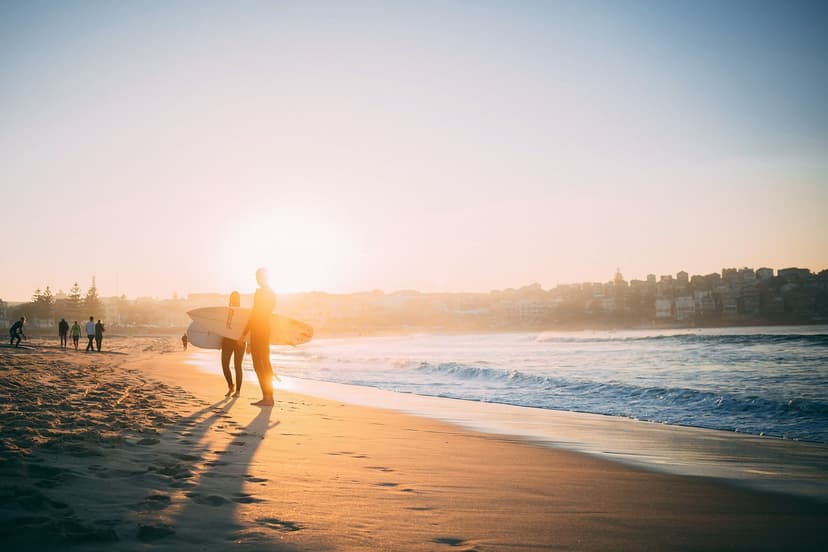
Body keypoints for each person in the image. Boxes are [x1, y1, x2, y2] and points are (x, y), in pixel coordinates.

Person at [239, 268, 276, 406]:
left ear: (264, 277)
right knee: (264, 362)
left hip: (259, 329)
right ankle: (268, 396)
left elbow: (255, 314)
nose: (257, 279)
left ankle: (268, 397)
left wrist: (245, 335)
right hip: (264, 329)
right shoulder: (270, 293)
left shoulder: (262, 293)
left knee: (260, 364)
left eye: (258, 277)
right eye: (256, 277)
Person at [221, 291, 245, 398]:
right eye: (232, 298)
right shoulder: (226, 311)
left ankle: (238, 391)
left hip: (239, 341)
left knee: (237, 366)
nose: (234, 300)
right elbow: (221, 326)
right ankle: (231, 386)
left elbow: (248, 328)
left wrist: (246, 340)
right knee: (224, 364)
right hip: (227, 340)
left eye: (236, 298)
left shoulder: (243, 312)